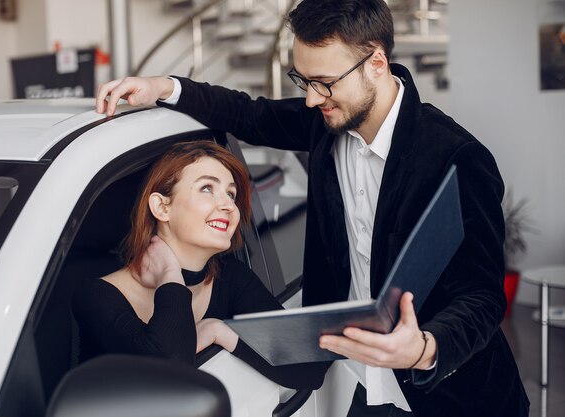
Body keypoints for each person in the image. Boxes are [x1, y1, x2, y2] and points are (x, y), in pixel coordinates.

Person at [94, 1, 529, 416]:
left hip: (450, 397)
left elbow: (483, 296)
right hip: (364, 385)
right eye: (303, 81)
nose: (311, 99)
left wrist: (424, 348)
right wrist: (164, 88)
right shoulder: (328, 119)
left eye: (324, 83)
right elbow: (249, 115)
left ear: (376, 64)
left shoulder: (457, 157)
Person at [72, 140, 327, 390]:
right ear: (162, 207)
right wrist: (170, 274)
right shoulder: (97, 296)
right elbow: (170, 375)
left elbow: (310, 370)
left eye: (231, 193)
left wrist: (221, 330)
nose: (229, 205)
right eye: (207, 188)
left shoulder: (232, 279)